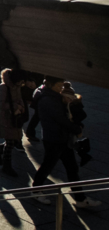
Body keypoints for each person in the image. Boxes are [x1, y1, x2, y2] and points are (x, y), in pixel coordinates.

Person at [31, 77, 101, 208]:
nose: (60, 89)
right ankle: (35, 190)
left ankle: (80, 198)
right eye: (58, 86)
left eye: (62, 86)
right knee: (48, 166)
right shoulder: (48, 100)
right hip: (54, 138)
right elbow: (60, 119)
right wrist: (77, 128)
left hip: (61, 137)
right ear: (50, 85)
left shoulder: (52, 95)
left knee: (71, 167)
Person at [0, 68, 26, 177]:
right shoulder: (4, 87)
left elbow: (19, 98)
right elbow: (0, 104)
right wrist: (15, 106)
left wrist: (21, 107)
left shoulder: (17, 86)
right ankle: (7, 166)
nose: (22, 83)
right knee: (10, 143)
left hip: (14, 117)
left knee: (14, 140)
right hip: (5, 118)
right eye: (21, 81)